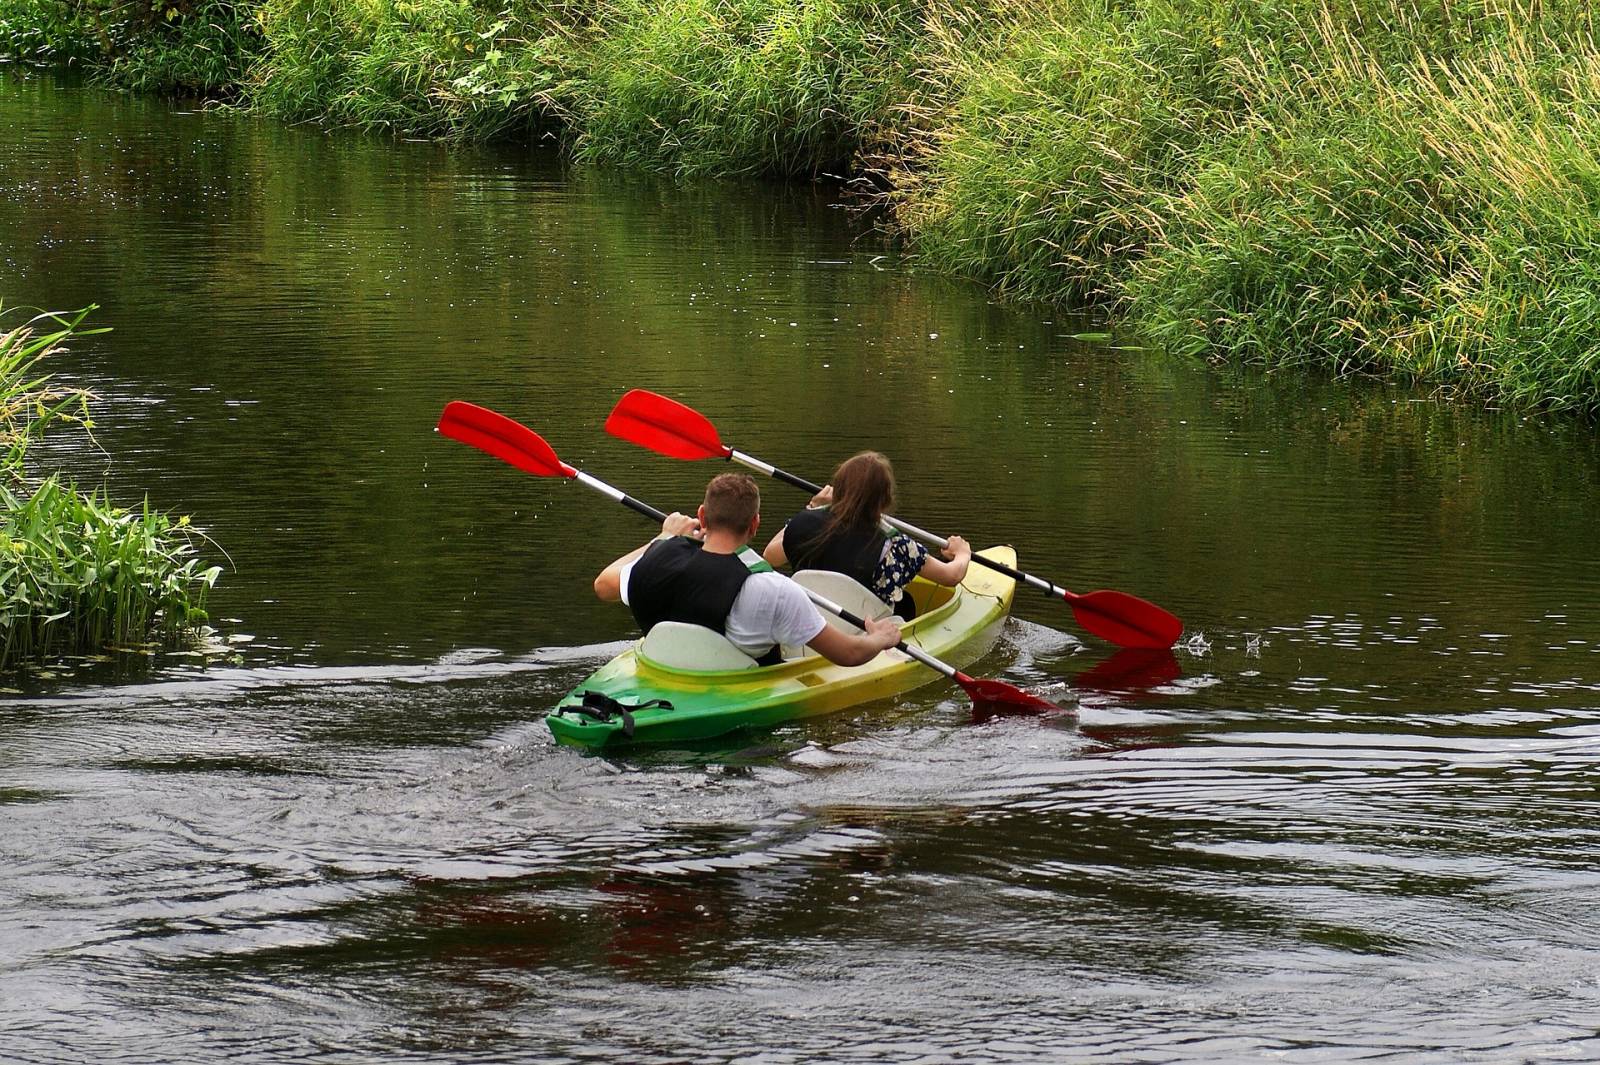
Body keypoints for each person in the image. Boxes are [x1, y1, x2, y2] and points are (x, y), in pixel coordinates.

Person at [594, 472, 901, 667]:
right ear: (755, 524)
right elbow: (848, 654)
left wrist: (663, 538)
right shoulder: (775, 590)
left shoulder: (655, 563)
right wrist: (879, 638)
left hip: (665, 672)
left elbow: (603, 585)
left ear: (702, 515)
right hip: (733, 690)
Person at [762, 451, 972, 619]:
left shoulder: (803, 524)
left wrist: (812, 508)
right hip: (866, 633)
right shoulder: (895, 544)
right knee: (905, 604)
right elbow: (951, 576)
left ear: (838, 489)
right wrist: (962, 553)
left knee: (905, 600)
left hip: (813, 628)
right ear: (885, 499)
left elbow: (771, 556)